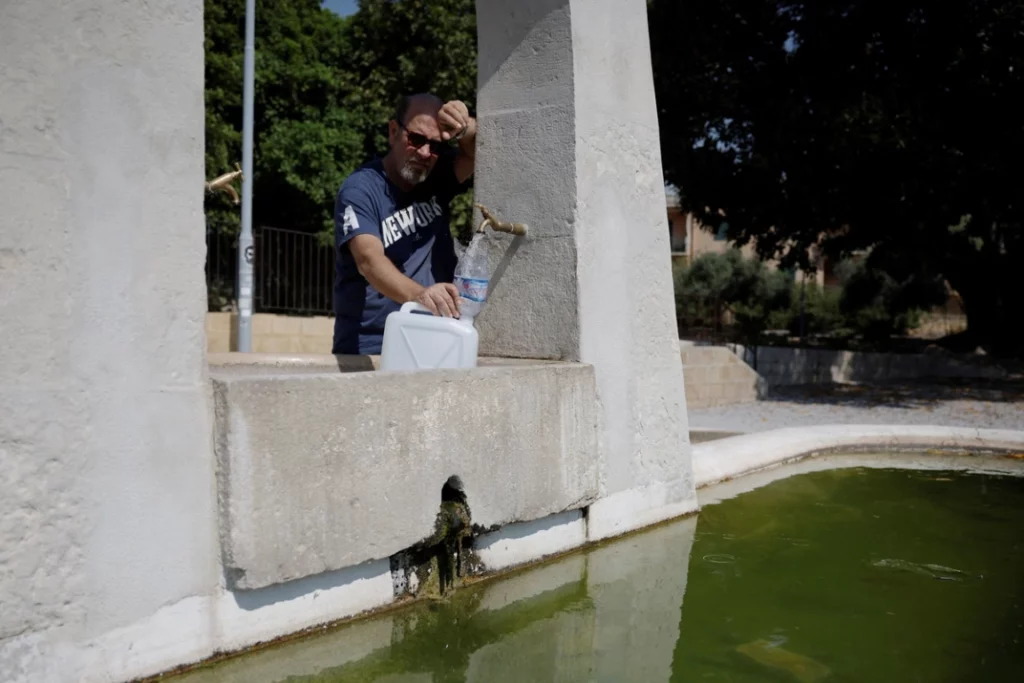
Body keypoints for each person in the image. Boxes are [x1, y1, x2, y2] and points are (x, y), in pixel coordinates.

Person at [331, 93, 476, 355]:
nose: (424, 153)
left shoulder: (436, 176)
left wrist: (465, 127)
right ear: (394, 131)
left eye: (435, 146)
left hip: (435, 339)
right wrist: (422, 295)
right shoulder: (360, 189)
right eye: (416, 139)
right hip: (373, 347)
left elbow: (482, 151)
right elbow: (368, 261)